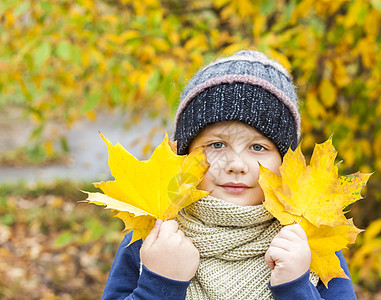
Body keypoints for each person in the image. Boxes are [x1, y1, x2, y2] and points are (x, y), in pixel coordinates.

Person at [102, 50, 357, 299]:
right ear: (184, 156)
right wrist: (158, 285)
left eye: (258, 147)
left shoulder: (309, 244)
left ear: (285, 164)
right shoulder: (153, 236)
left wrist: (296, 288)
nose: (236, 165)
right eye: (217, 145)